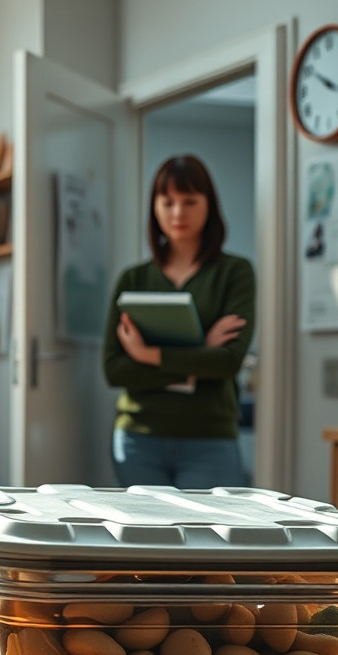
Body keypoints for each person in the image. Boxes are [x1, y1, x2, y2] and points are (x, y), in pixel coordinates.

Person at [102, 155, 256, 489]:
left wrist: (146, 355)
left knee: (209, 524)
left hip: (210, 439)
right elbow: (115, 370)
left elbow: (228, 362)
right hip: (137, 439)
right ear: (154, 207)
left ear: (209, 204)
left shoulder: (235, 273)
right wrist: (202, 352)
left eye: (189, 201)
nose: (177, 213)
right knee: (143, 525)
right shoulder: (133, 279)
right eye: (167, 202)